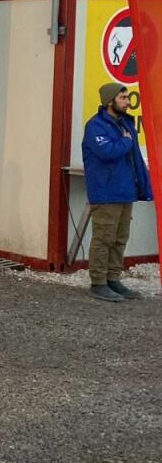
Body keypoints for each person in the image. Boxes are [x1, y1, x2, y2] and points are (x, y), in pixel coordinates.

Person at [82, 82, 152, 302]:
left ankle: (113, 278)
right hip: (106, 192)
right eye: (123, 98)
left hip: (125, 190)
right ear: (109, 101)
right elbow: (107, 152)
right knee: (104, 238)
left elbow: (135, 158)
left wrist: (143, 185)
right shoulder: (95, 126)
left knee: (120, 238)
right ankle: (98, 282)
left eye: (127, 98)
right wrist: (125, 141)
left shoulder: (126, 123)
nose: (127, 102)